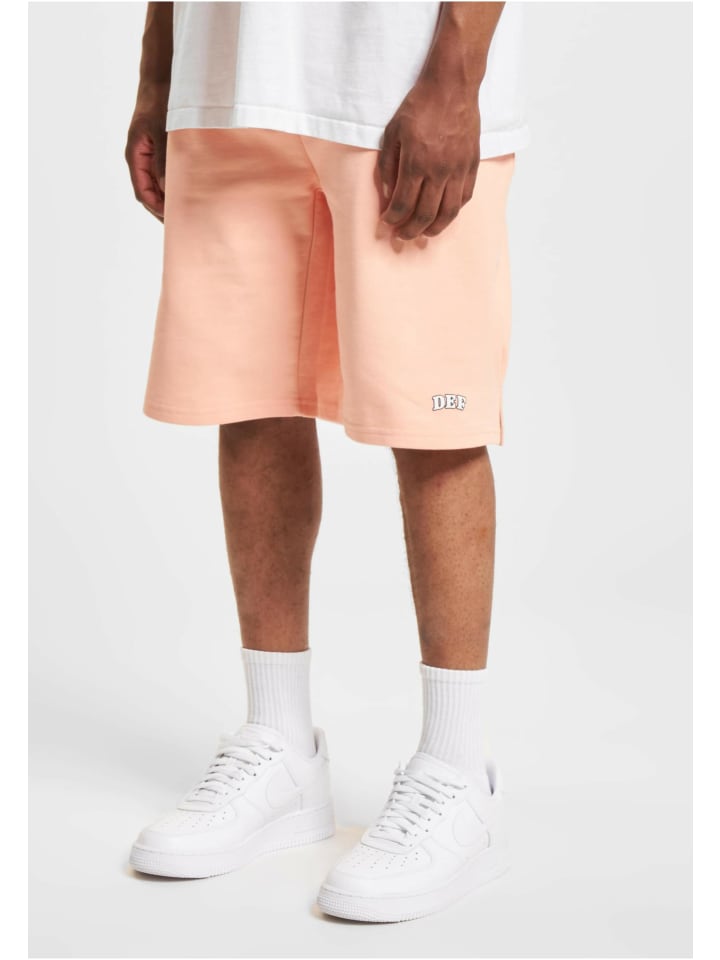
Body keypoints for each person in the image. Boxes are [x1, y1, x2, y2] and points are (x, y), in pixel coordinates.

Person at [125, 0, 528, 923]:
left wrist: (455, 75)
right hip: (228, 79)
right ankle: (280, 748)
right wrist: (159, 68)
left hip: (400, 84)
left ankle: (457, 772)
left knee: (436, 417)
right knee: (251, 399)